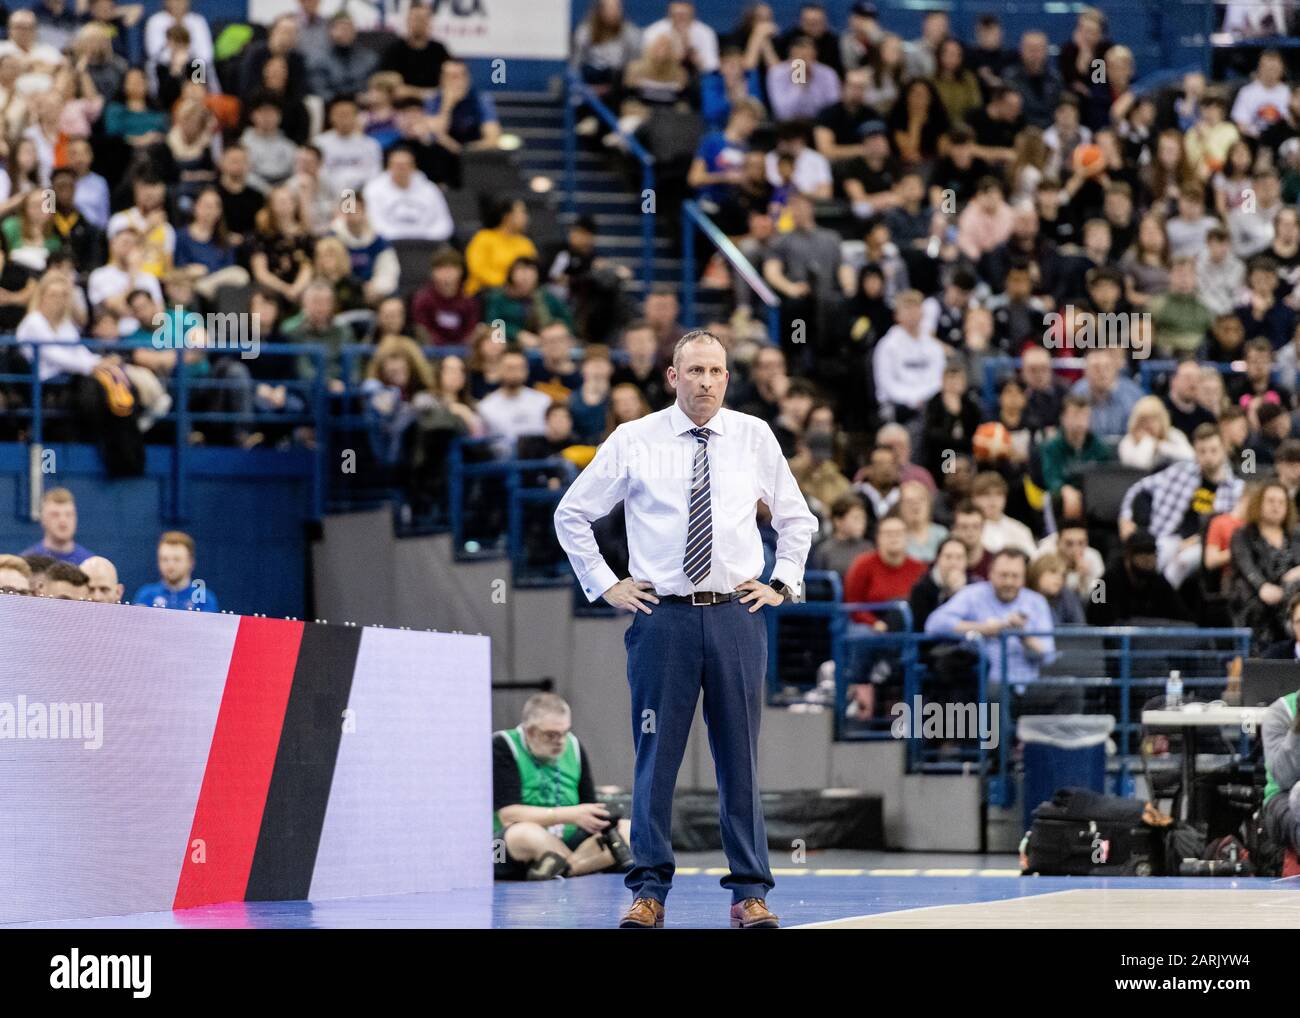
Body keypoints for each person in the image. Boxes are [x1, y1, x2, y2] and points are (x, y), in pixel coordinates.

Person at [553, 328, 817, 930]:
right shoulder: (634, 439)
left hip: (737, 615)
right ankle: (649, 891)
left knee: (740, 760)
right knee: (655, 758)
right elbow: (572, 513)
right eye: (694, 371)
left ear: (728, 378)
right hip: (662, 617)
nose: (706, 382)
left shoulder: (754, 436)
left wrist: (783, 582)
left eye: (716, 372)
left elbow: (798, 517)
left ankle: (751, 892)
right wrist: (605, 583)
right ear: (672, 377)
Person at [493, 693, 633, 881]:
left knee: (629, 829)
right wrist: (571, 815)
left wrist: (600, 818)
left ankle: (562, 868)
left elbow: (587, 804)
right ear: (530, 731)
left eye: (564, 733)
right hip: (513, 846)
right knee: (524, 833)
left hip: (567, 842)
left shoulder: (573, 745)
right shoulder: (504, 745)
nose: (560, 741)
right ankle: (578, 866)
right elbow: (508, 816)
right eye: (551, 735)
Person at [1119, 423, 1245, 589]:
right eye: (1202, 451)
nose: (1208, 456)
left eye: (1213, 450)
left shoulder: (1236, 489)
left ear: (1223, 449)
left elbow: (1230, 529)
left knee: (1180, 564)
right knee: (1154, 555)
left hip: (1203, 544)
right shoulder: (1179, 472)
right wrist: (1125, 517)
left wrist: (1195, 540)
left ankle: (1164, 601)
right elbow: (1138, 488)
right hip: (1167, 535)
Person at [924, 548, 1056, 693]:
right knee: (991, 695)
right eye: (1003, 575)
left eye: (1015, 576)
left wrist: (1023, 635)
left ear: (1024, 578)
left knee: (1070, 692)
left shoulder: (1036, 602)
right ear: (991, 574)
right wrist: (984, 629)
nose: (1009, 582)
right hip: (987, 683)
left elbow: (1048, 656)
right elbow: (934, 623)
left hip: (1028, 684)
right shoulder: (972, 594)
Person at [1231, 481, 1300, 651]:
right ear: (1259, 503)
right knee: (1258, 606)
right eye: (1270, 501)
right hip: (1255, 595)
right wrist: (1262, 586)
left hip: (1294, 594)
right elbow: (1246, 566)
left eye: (1281, 502)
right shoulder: (1243, 535)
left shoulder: (1296, 535)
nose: (1276, 506)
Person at [1087, 530, 1190, 624]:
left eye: (1152, 552)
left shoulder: (1159, 582)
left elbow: (1183, 618)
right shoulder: (1104, 582)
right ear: (1128, 555)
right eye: (1143, 552)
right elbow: (1095, 618)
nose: (1149, 559)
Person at [476, 349, 553, 459]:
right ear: (499, 369)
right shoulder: (485, 407)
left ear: (527, 371)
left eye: (519, 368)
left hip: (539, 461)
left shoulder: (543, 401)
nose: (514, 373)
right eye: (509, 368)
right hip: (501, 467)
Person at [131, 531, 218, 612]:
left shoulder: (204, 598)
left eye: (177, 559)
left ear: (191, 562)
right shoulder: (146, 595)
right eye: (165, 559)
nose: (170, 565)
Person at [21, 487, 94, 564]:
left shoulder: (89, 563)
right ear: (43, 519)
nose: (63, 520)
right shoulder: (27, 563)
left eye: (68, 514)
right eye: (55, 515)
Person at [809, 492, 871, 578]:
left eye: (863, 518)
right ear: (838, 521)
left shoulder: (868, 548)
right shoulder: (824, 550)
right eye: (856, 518)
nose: (862, 523)